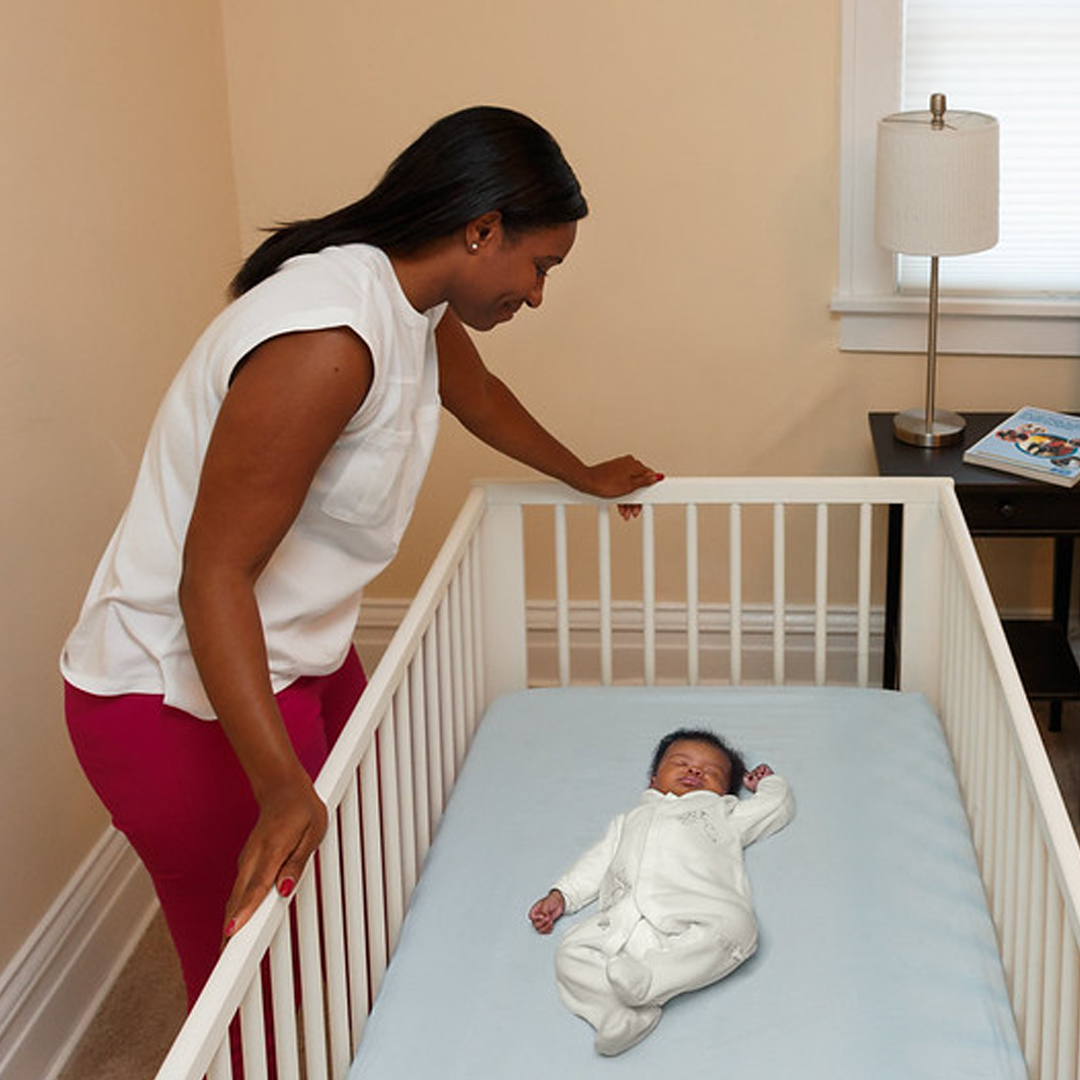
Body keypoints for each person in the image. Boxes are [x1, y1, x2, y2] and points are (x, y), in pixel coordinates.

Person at [61, 105, 662, 1013]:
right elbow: (210, 576)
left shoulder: (408, 302)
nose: (538, 294)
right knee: (254, 990)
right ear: (481, 228)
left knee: (358, 882)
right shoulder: (327, 340)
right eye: (539, 266)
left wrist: (581, 473)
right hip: (172, 693)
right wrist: (277, 786)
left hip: (289, 647)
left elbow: (479, 396)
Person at [528, 728, 794, 1056]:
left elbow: (775, 808)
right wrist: (562, 895)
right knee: (570, 953)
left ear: (726, 791)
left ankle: (652, 981)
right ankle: (621, 1016)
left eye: (711, 772)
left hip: (697, 910)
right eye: (681, 763)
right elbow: (596, 862)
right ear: (654, 779)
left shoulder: (723, 815)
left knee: (737, 928)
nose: (695, 771)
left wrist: (768, 783)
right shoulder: (629, 820)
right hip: (625, 922)